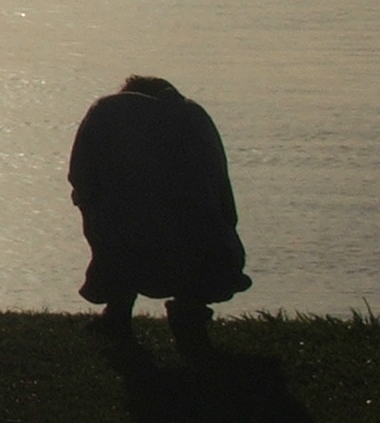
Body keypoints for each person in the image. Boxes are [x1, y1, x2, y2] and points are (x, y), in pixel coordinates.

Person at [68, 75, 249, 354]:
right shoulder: (196, 120)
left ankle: (118, 311)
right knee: (188, 223)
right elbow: (226, 203)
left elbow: (81, 177)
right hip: (212, 259)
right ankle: (190, 313)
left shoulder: (107, 114)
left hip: (131, 248)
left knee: (109, 210)